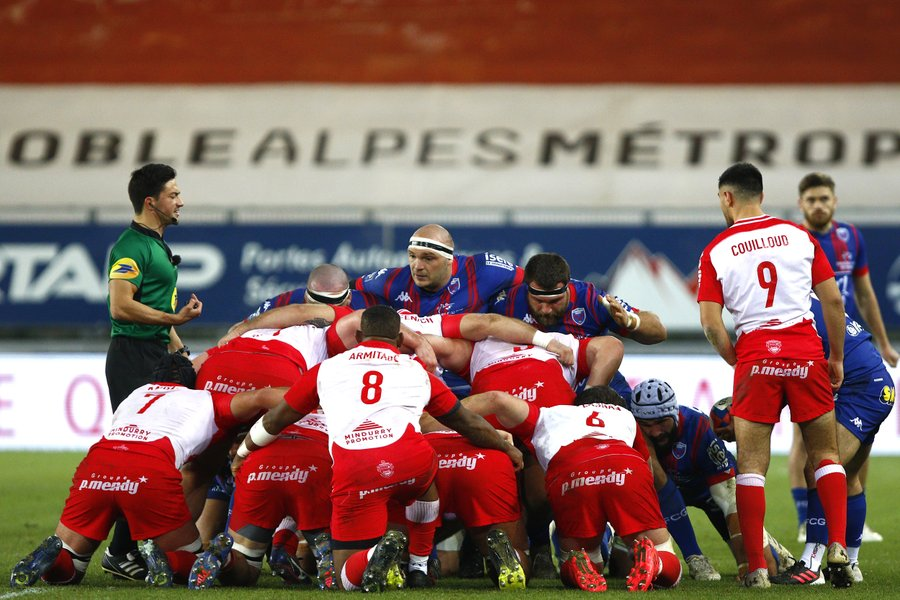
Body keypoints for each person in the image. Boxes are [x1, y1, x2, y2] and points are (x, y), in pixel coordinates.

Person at [214, 306, 523, 592]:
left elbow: (276, 418)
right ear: (401, 339)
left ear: (359, 337)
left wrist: (244, 451)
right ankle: (418, 563)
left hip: (358, 471)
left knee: (346, 577)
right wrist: (506, 448)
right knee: (424, 484)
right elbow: (466, 422)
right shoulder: (417, 373)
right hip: (412, 462)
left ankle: (379, 551)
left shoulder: (327, 369)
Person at [697, 161, 851, 588]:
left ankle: (758, 569)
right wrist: (834, 358)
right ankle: (836, 545)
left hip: (756, 357)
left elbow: (711, 324)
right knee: (826, 455)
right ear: (761, 195)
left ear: (728, 198)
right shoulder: (800, 237)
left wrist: (735, 358)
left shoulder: (717, 250)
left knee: (750, 465)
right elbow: (834, 302)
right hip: (805, 351)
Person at [9, 353, 287, 589]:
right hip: (148, 470)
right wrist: (313, 393)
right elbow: (262, 397)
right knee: (189, 561)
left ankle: (52, 560)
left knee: (71, 564)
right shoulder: (205, 399)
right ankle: (166, 559)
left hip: (97, 464)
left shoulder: (135, 395)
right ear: (191, 382)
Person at [462, 385, 683, 592]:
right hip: (623, 463)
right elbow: (648, 472)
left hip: (571, 470)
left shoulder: (549, 415)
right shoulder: (625, 415)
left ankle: (575, 564)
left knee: (579, 556)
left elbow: (496, 399)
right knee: (664, 553)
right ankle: (657, 561)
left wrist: (436, 415)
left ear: (577, 405)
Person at [103, 162, 203, 580]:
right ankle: (120, 552)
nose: (180, 201)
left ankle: (136, 545)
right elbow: (120, 306)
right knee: (142, 457)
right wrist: (174, 323)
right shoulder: (131, 246)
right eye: (173, 194)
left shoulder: (158, 246)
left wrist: (185, 356)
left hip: (157, 354)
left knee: (168, 459)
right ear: (152, 201)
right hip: (131, 355)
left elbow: (161, 313)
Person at [789, 171, 898, 544]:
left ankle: (854, 521)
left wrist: (882, 343)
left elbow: (865, 295)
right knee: (806, 440)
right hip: (814, 347)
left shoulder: (850, 236)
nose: (819, 205)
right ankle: (808, 518)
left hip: (850, 348)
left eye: (824, 199)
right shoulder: (793, 241)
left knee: (855, 436)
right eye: (811, 200)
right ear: (800, 205)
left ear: (834, 201)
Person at [770, 298, 896, 585]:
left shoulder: (789, 312)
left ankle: (812, 563)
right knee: (845, 476)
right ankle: (851, 564)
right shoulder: (805, 300)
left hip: (861, 389)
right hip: (874, 383)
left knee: (821, 468)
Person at [630, 379, 794, 581]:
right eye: (647, 425)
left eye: (662, 422)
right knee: (624, 565)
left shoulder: (699, 427)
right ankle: (695, 558)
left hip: (708, 489)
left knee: (764, 560)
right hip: (664, 494)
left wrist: (746, 565)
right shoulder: (632, 433)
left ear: (674, 413)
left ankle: (770, 546)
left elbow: (728, 498)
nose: (655, 432)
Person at [490, 252, 666, 400]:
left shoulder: (591, 300)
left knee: (636, 422)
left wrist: (630, 321)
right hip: (534, 387)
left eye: (554, 302)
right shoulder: (507, 302)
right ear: (527, 289)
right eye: (538, 301)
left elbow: (659, 332)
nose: (546, 310)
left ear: (568, 287)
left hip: (593, 384)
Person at [353, 224, 525, 315]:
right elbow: (346, 288)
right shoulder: (391, 280)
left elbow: (532, 280)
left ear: (449, 260)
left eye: (428, 258)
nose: (417, 266)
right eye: (412, 256)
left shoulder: (484, 270)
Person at [247, 263, 377, 319]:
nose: (324, 313)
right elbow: (244, 327)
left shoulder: (369, 305)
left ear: (349, 298)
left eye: (334, 306)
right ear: (306, 297)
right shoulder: (285, 301)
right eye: (318, 305)